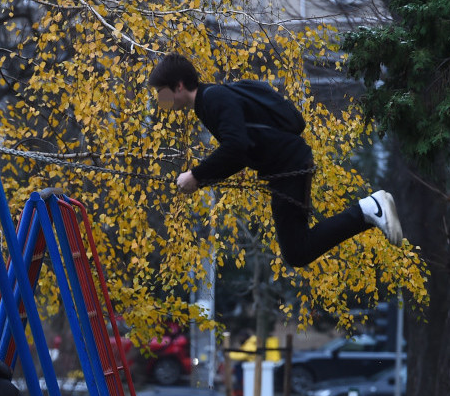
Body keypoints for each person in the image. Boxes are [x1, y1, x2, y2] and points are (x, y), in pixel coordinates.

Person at [148, 52, 404, 268]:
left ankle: (368, 209)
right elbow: (242, 151)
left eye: (161, 92)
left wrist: (196, 175)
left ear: (178, 86)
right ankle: (367, 211)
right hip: (286, 165)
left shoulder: (213, 99)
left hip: (288, 164)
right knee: (297, 253)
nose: (161, 100)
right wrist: (201, 179)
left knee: (297, 252)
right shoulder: (208, 102)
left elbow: (235, 148)